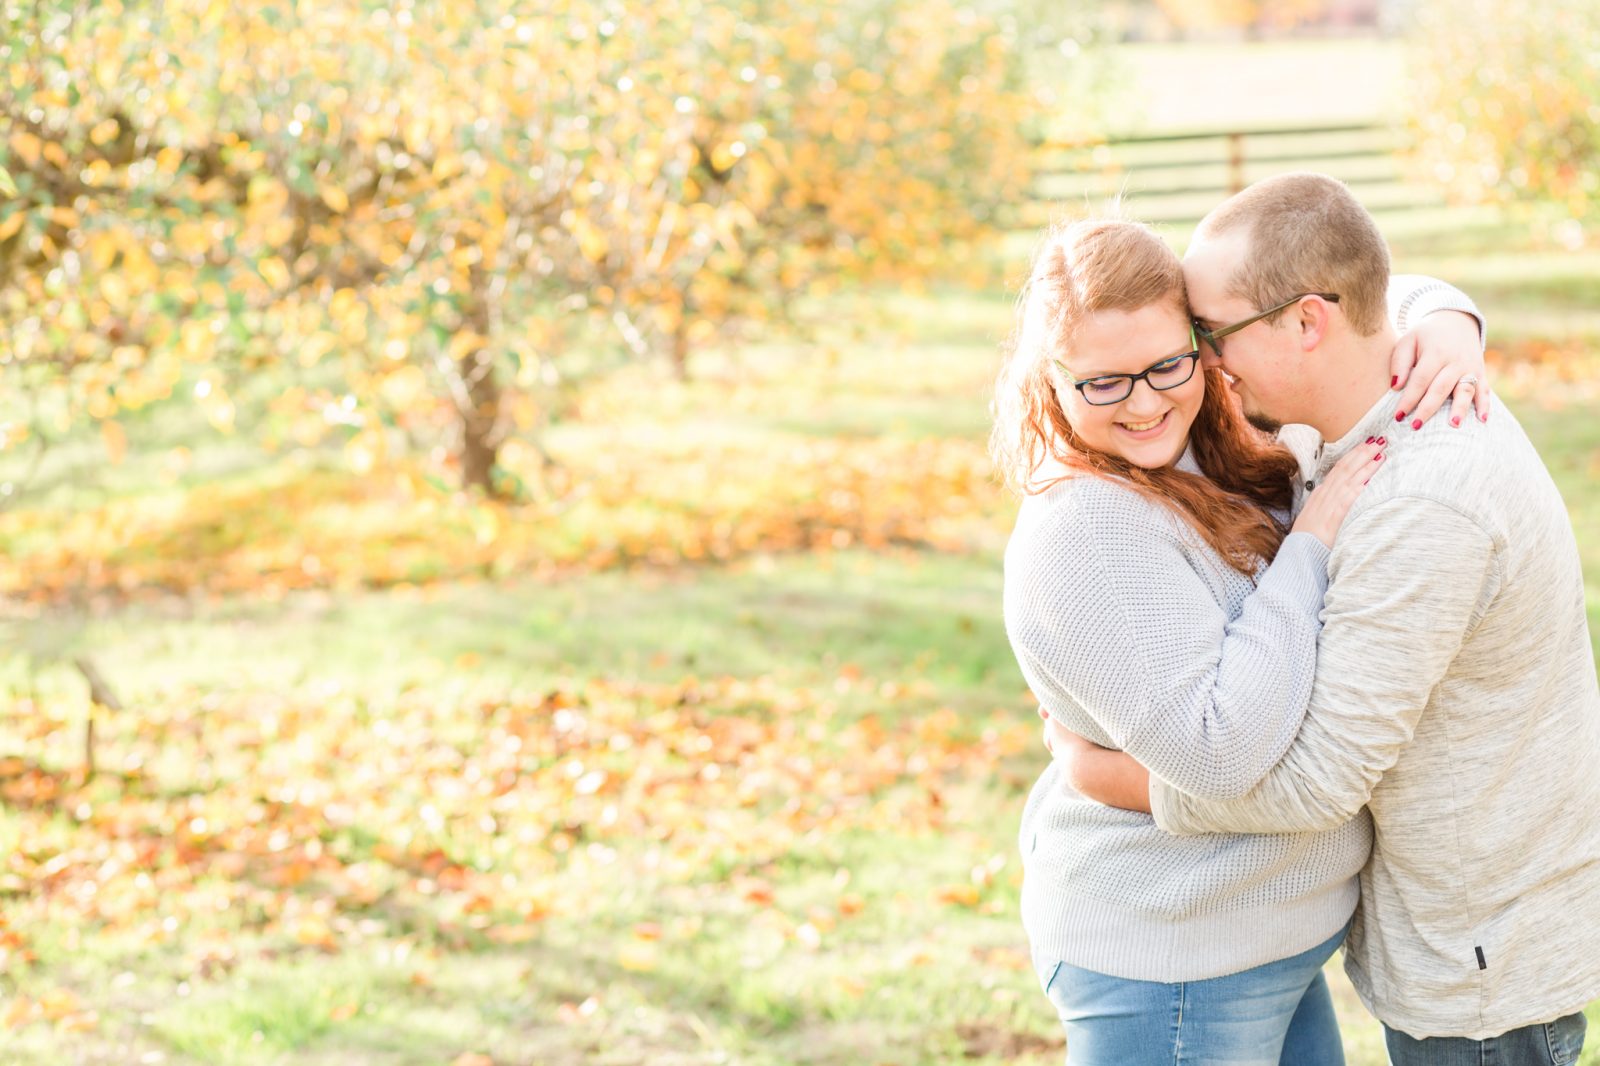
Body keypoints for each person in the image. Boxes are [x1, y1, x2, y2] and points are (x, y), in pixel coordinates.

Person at [1050, 173, 1600, 1066]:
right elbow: (1373, 280)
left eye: (1211, 337)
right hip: (1445, 934)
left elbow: (1315, 782)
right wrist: (1450, 314)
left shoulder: (1423, 499)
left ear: (1308, 323)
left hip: (1481, 969)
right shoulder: (1364, 415)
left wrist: (1109, 777)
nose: (1205, 367)